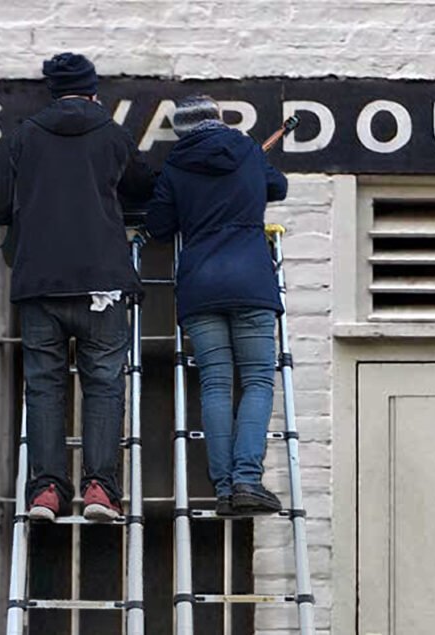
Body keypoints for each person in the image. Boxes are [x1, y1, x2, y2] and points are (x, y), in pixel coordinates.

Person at [0, 52, 155, 522]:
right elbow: (142, 188)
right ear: (93, 91)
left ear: (52, 91)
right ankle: (100, 488)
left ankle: (46, 491)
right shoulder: (112, 134)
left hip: (39, 283)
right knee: (104, 384)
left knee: (43, 386)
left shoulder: (22, 136)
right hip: (102, 282)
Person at [146, 95, 288, 515]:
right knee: (258, 380)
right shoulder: (246, 150)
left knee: (215, 384)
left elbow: (158, 226)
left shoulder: (175, 166)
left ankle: (225, 489)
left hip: (200, 285)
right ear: (218, 119)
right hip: (251, 281)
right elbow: (278, 187)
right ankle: (248, 479)